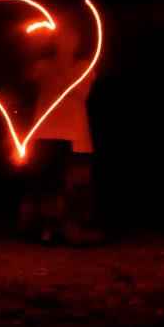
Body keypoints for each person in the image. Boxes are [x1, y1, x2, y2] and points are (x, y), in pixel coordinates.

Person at [18, 25, 101, 245]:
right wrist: (33, 47)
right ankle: (45, 229)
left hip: (75, 134)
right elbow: (26, 77)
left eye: (70, 38)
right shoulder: (43, 65)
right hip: (46, 131)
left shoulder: (84, 66)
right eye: (62, 38)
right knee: (46, 181)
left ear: (76, 43)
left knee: (75, 184)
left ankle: (74, 230)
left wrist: (63, 71)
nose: (66, 42)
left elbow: (80, 92)